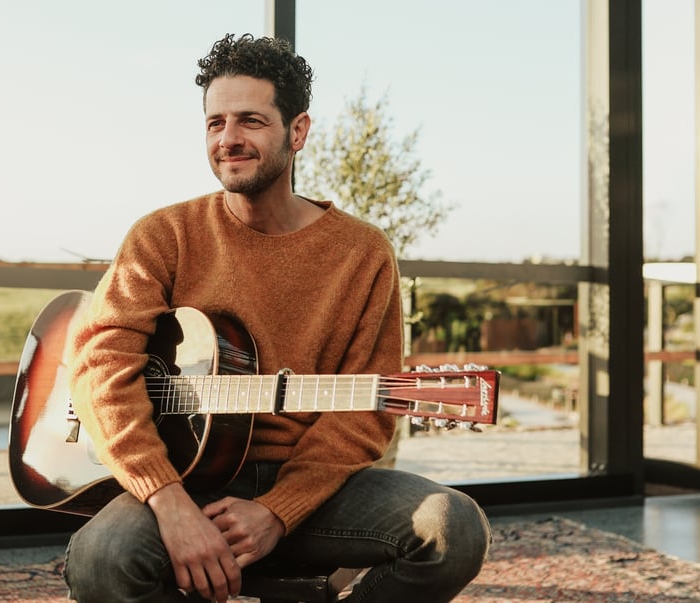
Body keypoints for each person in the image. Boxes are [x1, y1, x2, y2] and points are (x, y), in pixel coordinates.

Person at [63, 33, 491, 603]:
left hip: (316, 489)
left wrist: (278, 510)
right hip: (182, 478)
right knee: (100, 559)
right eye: (215, 123)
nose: (229, 139)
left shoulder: (362, 254)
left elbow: (362, 418)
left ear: (298, 131)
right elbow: (101, 366)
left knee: (453, 528)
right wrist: (168, 500)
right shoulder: (163, 235)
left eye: (251, 120)